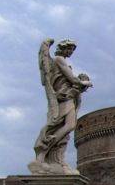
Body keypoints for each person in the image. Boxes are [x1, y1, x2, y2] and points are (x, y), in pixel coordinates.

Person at [31, 38, 92, 175]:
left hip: (69, 97)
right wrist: (85, 83)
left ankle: (56, 158)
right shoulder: (59, 59)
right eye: (69, 49)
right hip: (63, 98)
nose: (70, 52)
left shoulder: (61, 61)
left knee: (69, 126)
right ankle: (44, 150)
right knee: (61, 124)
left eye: (72, 50)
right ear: (62, 48)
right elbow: (72, 79)